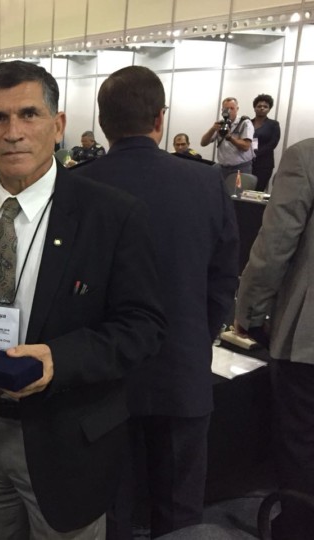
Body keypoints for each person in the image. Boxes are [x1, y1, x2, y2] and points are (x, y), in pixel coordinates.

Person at [0, 60, 166, 539]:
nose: (13, 133)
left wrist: (57, 359)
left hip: (66, 438)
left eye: (29, 114)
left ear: (58, 125)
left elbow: (143, 326)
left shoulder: (111, 214)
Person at [71, 66, 239, 539]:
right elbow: (223, 279)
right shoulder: (206, 183)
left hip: (102, 378)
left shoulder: (76, 187)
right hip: (182, 369)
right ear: (160, 119)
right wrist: (197, 336)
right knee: (180, 510)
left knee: (109, 508)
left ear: (102, 123)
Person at [235, 138, 314, 540]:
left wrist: (249, 313)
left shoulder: (306, 157)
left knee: (301, 449)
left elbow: (275, 245)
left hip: (307, 342)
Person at [200, 97, 254, 180]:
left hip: (240, 168)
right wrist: (213, 129)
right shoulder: (220, 123)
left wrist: (230, 138)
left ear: (237, 109)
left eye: (232, 108)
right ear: (222, 110)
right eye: (226, 109)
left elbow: (246, 146)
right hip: (223, 168)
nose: (229, 111)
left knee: (237, 189)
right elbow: (203, 143)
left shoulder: (245, 122)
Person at [251, 93, 281, 192]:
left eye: (265, 106)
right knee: (242, 191)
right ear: (254, 108)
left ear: (269, 109)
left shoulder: (273, 124)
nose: (262, 108)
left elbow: (273, 143)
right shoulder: (247, 123)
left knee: (256, 192)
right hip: (246, 163)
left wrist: (255, 154)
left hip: (264, 165)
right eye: (259, 106)